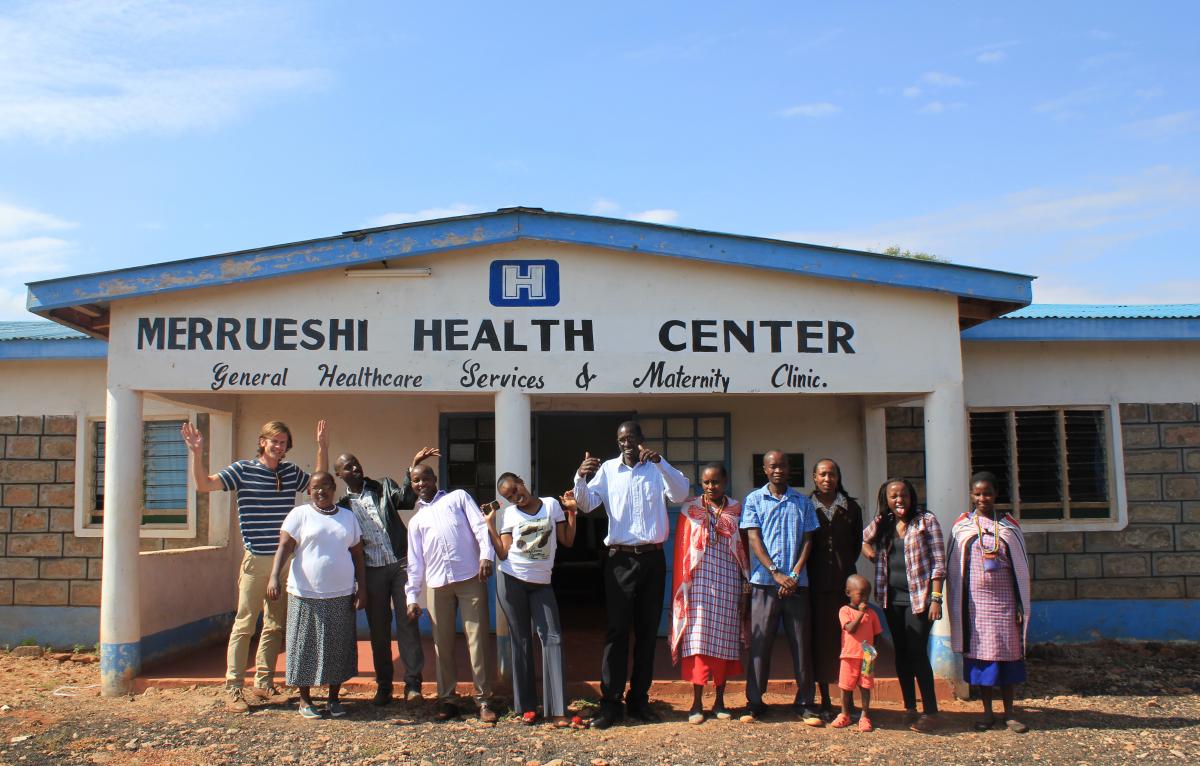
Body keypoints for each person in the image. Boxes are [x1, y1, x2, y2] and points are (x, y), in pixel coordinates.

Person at [181, 419, 328, 713]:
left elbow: (317, 484)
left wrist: (322, 447)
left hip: (284, 561)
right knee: (245, 624)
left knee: (275, 625)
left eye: (284, 442)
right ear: (262, 442)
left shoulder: (289, 471)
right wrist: (197, 453)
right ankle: (234, 688)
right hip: (257, 559)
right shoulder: (243, 470)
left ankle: (264, 682)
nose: (279, 446)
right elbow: (203, 484)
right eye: (274, 441)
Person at [573, 421, 691, 729]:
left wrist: (661, 462)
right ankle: (610, 703)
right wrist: (580, 476)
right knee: (617, 632)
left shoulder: (656, 468)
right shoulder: (609, 470)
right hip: (620, 560)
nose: (626, 442)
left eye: (631, 437)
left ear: (641, 440)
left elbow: (680, 493)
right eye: (621, 438)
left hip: (652, 560)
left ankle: (639, 701)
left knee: (648, 632)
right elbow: (586, 504)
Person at [333, 446, 439, 706]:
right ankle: (384, 686)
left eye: (356, 463)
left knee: (408, 622)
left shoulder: (382, 487)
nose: (355, 468)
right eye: (348, 467)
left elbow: (405, 500)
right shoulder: (343, 508)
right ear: (339, 475)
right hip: (372, 572)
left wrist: (411, 466)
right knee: (379, 630)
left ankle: (413, 684)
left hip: (400, 564)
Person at [266, 472, 366, 718]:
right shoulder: (299, 515)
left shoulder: (348, 517)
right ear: (309, 491)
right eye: (315, 487)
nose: (320, 491)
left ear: (334, 488)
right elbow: (285, 547)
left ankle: (333, 699)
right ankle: (305, 700)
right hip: (305, 594)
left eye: (325, 487)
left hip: (340, 594)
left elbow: (357, 555)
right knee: (304, 646)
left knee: (337, 646)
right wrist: (273, 577)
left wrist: (361, 588)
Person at [403, 463, 497, 723]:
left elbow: (480, 527)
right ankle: (448, 700)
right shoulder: (416, 521)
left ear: (435, 479)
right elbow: (415, 562)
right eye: (415, 481)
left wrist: (486, 556)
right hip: (437, 584)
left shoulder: (458, 498)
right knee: (442, 643)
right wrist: (412, 596)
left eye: (425, 478)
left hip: (470, 577)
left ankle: (484, 699)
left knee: (476, 640)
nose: (420, 484)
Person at [483, 473, 577, 726]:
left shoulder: (550, 505)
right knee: (521, 640)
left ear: (522, 482)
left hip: (541, 583)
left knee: (553, 637)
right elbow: (502, 553)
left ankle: (557, 709)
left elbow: (567, 540)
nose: (516, 497)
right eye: (509, 496)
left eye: (515, 490)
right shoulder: (510, 515)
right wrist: (490, 524)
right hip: (511, 579)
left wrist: (572, 513)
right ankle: (526, 706)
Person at [740, 451, 822, 725]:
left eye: (782, 466)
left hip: (798, 585)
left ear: (789, 470)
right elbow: (753, 539)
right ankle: (754, 702)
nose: (778, 470)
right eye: (773, 466)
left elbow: (808, 540)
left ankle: (805, 702)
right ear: (765, 469)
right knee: (760, 644)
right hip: (764, 584)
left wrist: (794, 574)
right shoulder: (754, 500)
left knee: (801, 643)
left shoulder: (802, 502)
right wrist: (776, 574)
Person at [948, 471, 1032, 733]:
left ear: (995, 494)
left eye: (987, 493)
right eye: (977, 493)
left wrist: (1020, 604)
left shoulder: (1008, 527)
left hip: (1004, 604)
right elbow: (953, 567)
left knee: (1007, 657)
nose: (982, 498)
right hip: (974, 606)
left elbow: (1021, 569)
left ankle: (1009, 713)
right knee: (981, 660)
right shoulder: (962, 527)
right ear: (971, 496)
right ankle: (986, 713)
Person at [862, 478, 945, 733]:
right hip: (891, 599)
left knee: (917, 651)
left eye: (904, 495)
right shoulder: (883, 523)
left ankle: (931, 711)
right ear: (886, 499)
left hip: (919, 600)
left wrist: (936, 598)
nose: (899, 500)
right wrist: (870, 551)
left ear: (912, 497)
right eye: (893, 496)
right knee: (901, 653)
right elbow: (864, 540)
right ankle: (910, 707)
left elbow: (938, 563)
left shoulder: (926, 521)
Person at [668, 462, 749, 725]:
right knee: (699, 640)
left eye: (715, 482)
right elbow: (682, 549)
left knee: (724, 641)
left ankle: (720, 701)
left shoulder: (737, 509)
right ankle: (695, 704)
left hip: (728, 580)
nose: (711, 487)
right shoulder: (689, 509)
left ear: (725, 482)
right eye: (706, 482)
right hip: (698, 582)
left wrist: (745, 580)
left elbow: (743, 548)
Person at [807, 458, 864, 721]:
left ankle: (847, 700)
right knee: (822, 642)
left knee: (848, 643)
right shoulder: (806, 507)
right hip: (817, 586)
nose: (827, 479)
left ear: (838, 478)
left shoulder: (851, 508)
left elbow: (855, 544)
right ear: (814, 478)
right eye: (822, 474)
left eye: (832, 474)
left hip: (845, 587)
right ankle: (826, 700)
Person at [830, 574, 881, 732]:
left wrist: (872, 652)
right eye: (861, 594)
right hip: (849, 656)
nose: (865, 598)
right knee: (846, 687)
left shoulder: (872, 614)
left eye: (867, 594)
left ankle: (864, 715)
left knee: (865, 686)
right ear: (848, 593)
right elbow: (850, 629)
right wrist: (860, 613)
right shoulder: (844, 611)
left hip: (866, 658)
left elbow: (877, 633)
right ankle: (844, 714)